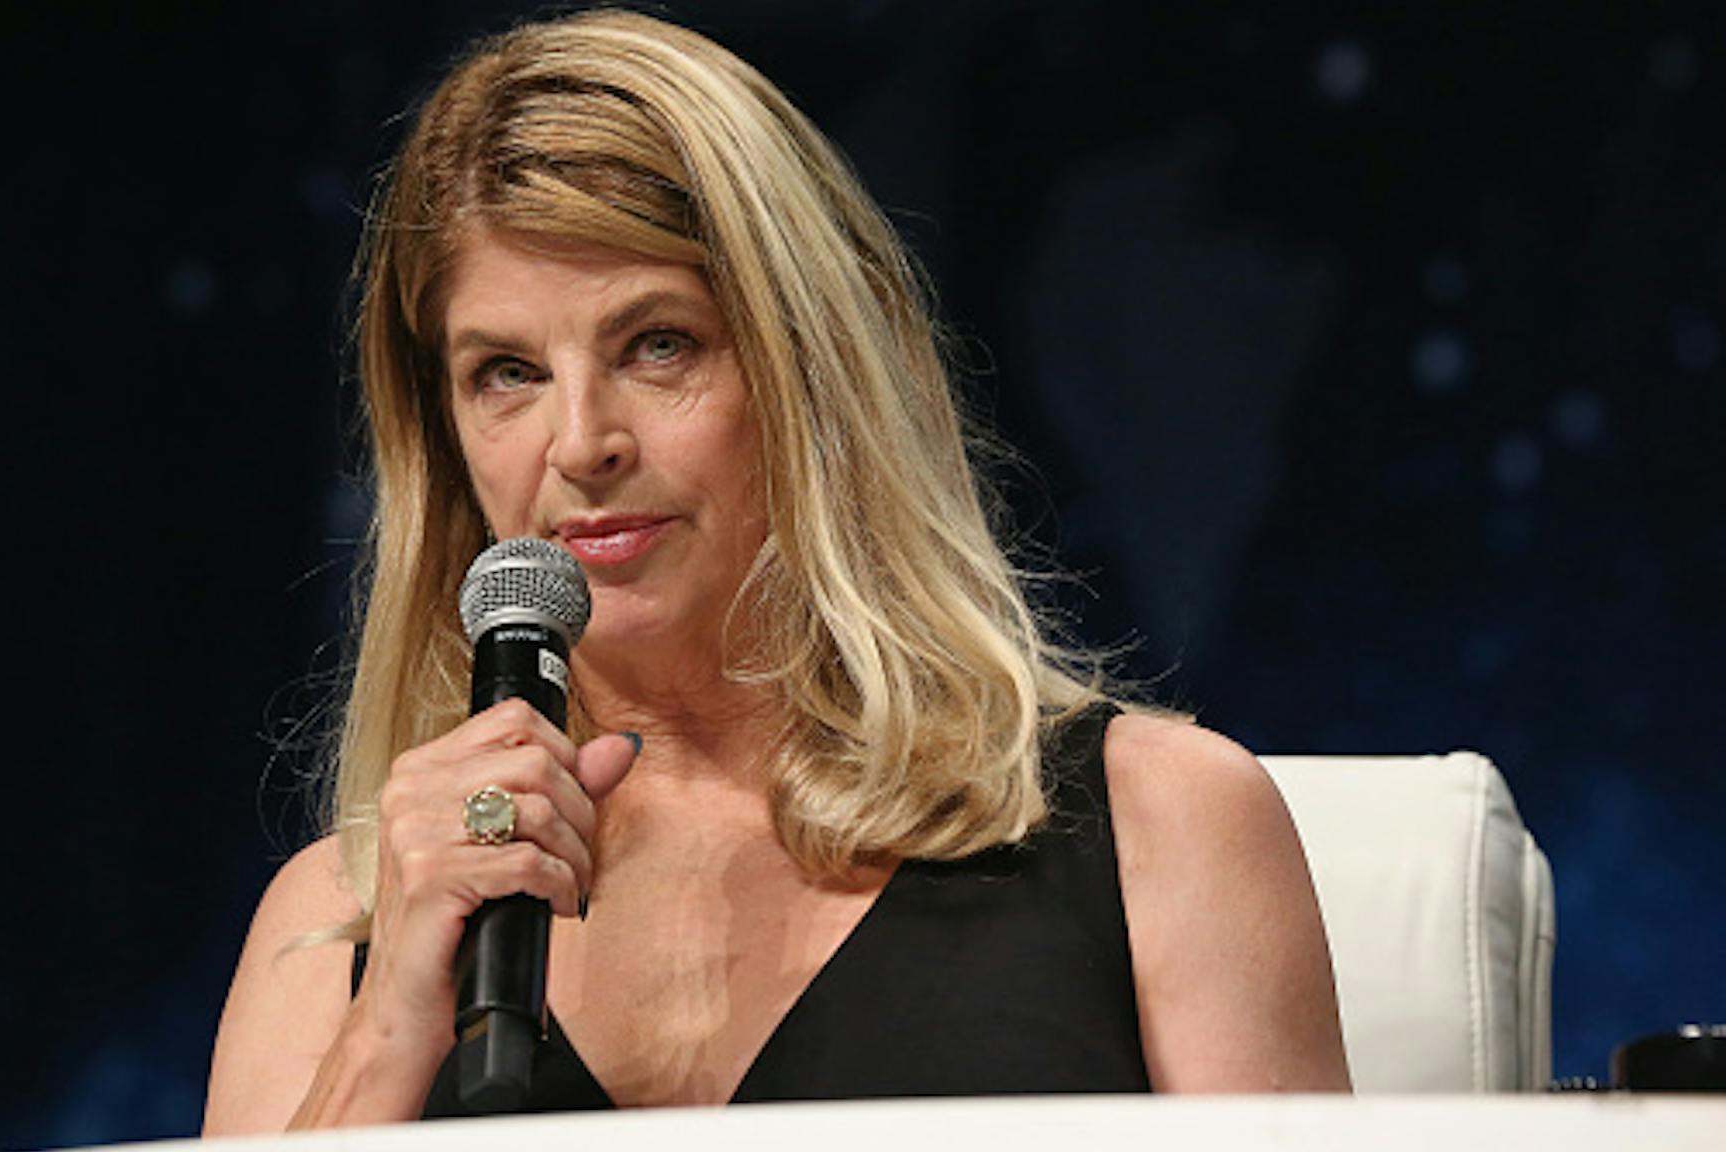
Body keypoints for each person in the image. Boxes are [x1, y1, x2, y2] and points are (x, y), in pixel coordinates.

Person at [203, 8, 1349, 1133]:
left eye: (658, 344)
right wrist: (388, 1031)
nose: (580, 441)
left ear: (811, 375)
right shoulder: (336, 926)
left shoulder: (1162, 823)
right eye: (505, 372)